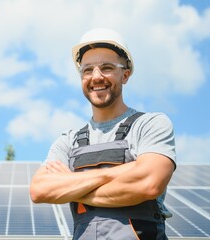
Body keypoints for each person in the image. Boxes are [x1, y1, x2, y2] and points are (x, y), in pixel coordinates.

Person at [30, 28, 176, 240]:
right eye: (87, 70)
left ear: (125, 75)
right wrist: (114, 173)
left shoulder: (150, 124)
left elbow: (149, 182)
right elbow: (40, 190)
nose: (96, 77)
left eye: (106, 68)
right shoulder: (68, 141)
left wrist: (73, 183)